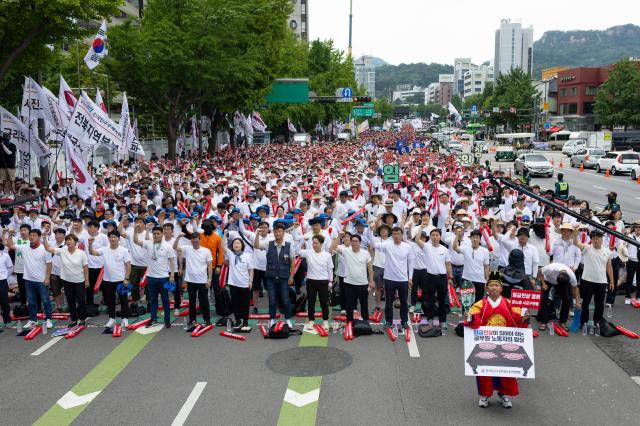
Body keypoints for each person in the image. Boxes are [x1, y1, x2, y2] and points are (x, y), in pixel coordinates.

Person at [466, 278, 528, 408]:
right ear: (487, 289)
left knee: (506, 371)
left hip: (505, 343)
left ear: (501, 289)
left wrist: (524, 316)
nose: (494, 288)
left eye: (496, 285)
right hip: (486, 344)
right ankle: (485, 395)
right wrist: (470, 318)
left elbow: (518, 320)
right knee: (485, 370)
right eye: (491, 285)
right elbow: (474, 319)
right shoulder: (480, 304)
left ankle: (503, 394)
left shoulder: (509, 303)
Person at [4, 228, 53, 329]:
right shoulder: (25, 247)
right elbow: (10, 245)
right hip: (28, 280)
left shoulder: (45, 248)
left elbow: (49, 264)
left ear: (39, 237)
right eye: (30, 235)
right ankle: (33, 320)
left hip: (41, 280)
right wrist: (9, 234)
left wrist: (47, 278)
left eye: (34, 235)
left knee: (45, 300)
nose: (31, 237)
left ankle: (48, 319)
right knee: (31, 301)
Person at [371, 227, 415, 330]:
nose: (396, 236)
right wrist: (370, 229)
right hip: (389, 279)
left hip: (403, 279)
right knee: (389, 302)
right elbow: (373, 244)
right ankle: (388, 321)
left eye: (398, 234)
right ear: (392, 235)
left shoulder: (407, 247)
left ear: (401, 235)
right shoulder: (387, 245)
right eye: (394, 234)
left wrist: (410, 278)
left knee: (404, 302)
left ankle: (404, 321)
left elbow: (411, 263)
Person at [133, 225, 176, 328]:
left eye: (158, 234)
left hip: (163, 277)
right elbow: (136, 241)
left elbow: (172, 261)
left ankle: (167, 320)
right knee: (153, 300)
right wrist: (135, 231)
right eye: (155, 234)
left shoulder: (167, 246)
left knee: (165, 300)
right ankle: (153, 319)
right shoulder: (148, 244)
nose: (156, 235)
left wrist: (172, 275)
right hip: (151, 277)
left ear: (162, 234)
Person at [43, 233, 89, 327]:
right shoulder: (63, 250)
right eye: (67, 240)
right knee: (70, 301)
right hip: (67, 281)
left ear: (75, 242)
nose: (68, 241)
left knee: (81, 300)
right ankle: (73, 320)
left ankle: (82, 318)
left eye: (70, 240)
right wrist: (44, 238)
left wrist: (86, 280)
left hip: (79, 280)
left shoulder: (81, 253)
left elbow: (85, 267)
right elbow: (48, 248)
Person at [254, 222, 295, 327]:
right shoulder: (269, 244)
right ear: (274, 232)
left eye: (280, 231)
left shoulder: (289, 245)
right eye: (276, 231)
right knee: (272, 300)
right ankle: (272, 319)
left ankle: (287, 319)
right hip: (271, 277)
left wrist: (291, 276)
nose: (277, 233)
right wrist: (257, 235)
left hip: (284, 277)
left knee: (285, 300)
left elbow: (292, 261)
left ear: (283, 233)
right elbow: (256, 245)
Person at [88, 230, 132, 328]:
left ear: (118, 239)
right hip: (107, 280)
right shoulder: (104, 249)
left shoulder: (123, 250)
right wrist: (90, 244)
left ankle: (125, 318)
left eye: (114, 237)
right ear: (108, 238)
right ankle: (112, 318)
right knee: (110, 300)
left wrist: (126, 278)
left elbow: (128, 265)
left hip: (121, 279)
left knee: (123, 300)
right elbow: (92, 252)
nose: (112, 239)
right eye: (111, 237)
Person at [573, 228, 613, 329]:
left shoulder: (607, 251)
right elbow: (575, 242)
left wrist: (612, 281)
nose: (597, 240)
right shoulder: (587, 248)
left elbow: (609, 266)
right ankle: (583, 322)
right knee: (585, 302)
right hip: (587, 280)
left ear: (602, 239)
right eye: (594, 238)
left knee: (599, 304)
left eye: (599, 238)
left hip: (601, 281)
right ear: (591, 239)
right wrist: (575, 232)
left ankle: (597, 321)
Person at [414, 226, 452, 329]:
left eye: (437, 235)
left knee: (442, 300)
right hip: (430, 277)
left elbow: (448, 264)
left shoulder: (444, 249)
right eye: (433, 235)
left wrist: (451, 277)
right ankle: (429, 319)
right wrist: (421, 227)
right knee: (429, 300)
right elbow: (417, 239)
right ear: (430, 237)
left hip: (442, 278)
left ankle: (442, 321)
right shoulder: (427, 246)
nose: (435, 237)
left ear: (440, 237)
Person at [331, 233, 374, 325]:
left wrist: (371, 281)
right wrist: (339, 236)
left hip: (362, 283)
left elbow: (370, 268)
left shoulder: (365, 253)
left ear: (360, 242)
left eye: (356, 241)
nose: (354, 243)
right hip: (349, 283)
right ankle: (349, 321)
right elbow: (333, 247)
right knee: (349, 304)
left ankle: (365, 320)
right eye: (352, 241)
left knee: (364, 303)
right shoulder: (346, 251)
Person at [174, 232, 213, 326]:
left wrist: (209, 279)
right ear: (191, 241)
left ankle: (207, 319)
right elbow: (175, 247)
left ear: (200, 240)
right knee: (191, 301)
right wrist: (178, 237)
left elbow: (210, 266)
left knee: (204, 301)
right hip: (190, 280)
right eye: (193, 242)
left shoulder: (206, 251)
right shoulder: (187, 248)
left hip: (202, 280)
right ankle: (192, 319)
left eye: (196, 241)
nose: (194, 243)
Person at [299, 235, 333, 331]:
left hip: (323, 282)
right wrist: (302, 241)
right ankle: (311, 321)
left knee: (324, 302)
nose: (314, 245)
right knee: (311, 302)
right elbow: (296, 251)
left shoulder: (327, 255)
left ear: (321, 244)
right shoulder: (308, 253)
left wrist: (330, 281)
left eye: (316, 243)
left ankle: (325, 321)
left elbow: (330, 269)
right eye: (313, 243)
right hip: (311, 281)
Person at [536, 263, 580, 331]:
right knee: (544, 299)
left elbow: (575, 288)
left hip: (561, 283)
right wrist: (543, 283)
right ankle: (543, 322)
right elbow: (539, 271)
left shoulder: (571, 275)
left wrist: (577, 302)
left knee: (566, 299)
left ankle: (562, 322)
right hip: (548, 280)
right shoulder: (551, 268)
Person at [223, 234, 253, 330]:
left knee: (245, 303)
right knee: (235, 303)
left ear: (242, 245)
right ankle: (238, 320)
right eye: (234, 243)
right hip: (233, 284)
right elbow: (223, 246)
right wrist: (224, 234)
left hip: (244, 283)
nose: (236, 245)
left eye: (238, 243)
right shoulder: (231, 255)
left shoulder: (247, 256)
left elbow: (251, 270)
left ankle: (245, 320)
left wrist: (250, 282)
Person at [453, 229, 490, 301]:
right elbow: (455, 248)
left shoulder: (485, 251)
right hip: (467, 280)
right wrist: (457, 235)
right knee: (466, 302)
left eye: (477, 237)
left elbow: (486, 267)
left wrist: (487, 280)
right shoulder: (466, 248)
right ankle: (465, 313)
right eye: (473, 237)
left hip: (480, 280)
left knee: (478, 303)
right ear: (470, 238)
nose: (475, 239)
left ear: (480, 239)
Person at [624, 220, 640, 304]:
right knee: (629, 280)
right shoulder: (629, 236)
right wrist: (624, 258)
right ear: (634, 227)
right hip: (631, 260)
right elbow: (623, 246)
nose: (638, 228)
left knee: (639, 280)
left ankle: (638, 296)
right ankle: (627, 296)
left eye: (639, 227)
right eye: (636, 227)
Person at [0, 243, 14, 327]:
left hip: (2, 280)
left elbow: (10, 268)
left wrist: (5, 275)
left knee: (4, 301)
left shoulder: (5, 256)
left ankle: (7, 320)